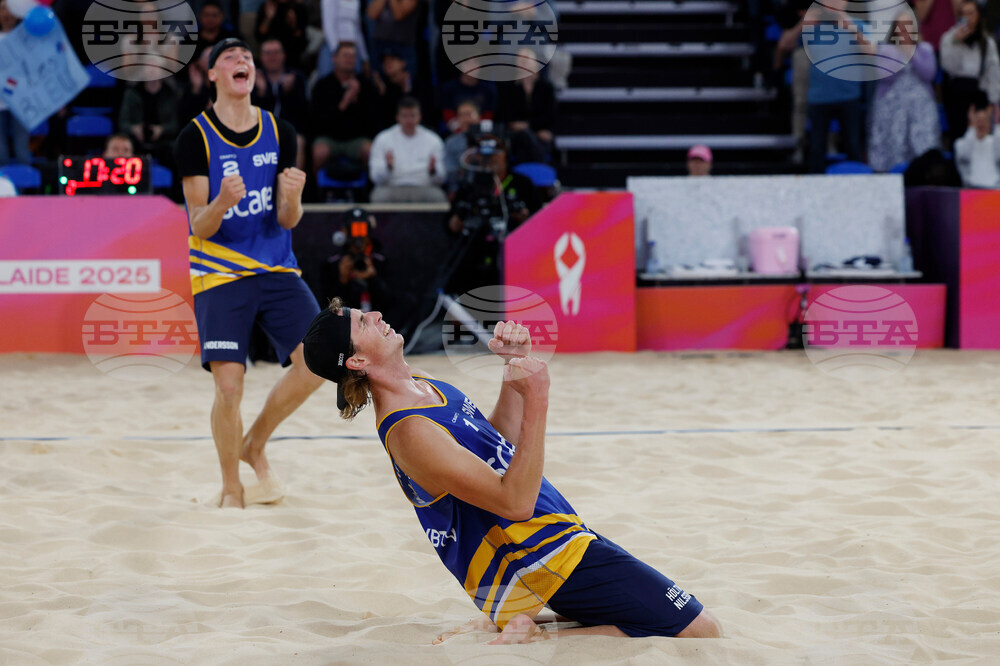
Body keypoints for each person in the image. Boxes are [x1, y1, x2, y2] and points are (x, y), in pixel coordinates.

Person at [300, 307, 723, 643]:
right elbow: (514, 503)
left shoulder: (424, 383)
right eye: (362, 322)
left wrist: (513, 371)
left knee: (665, 615)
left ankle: (528, 624)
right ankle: (533, 637)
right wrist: (537, 398)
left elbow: (493, 440)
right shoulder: (407, 430)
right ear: (357, 359)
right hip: (538, 560)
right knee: (702, 629)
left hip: (558, 536)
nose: (374, 315)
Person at [173, 38, 324, 508]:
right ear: (212, 74)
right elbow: (199, 225)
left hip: (276, 266)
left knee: (319, 360)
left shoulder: (281, 131)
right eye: (231, 58)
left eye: (249, 59)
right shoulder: (194, 137)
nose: (244, 63)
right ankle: (231, 485)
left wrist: (295, 197)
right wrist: (221, 202)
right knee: (228, 385)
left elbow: (286, 219)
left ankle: (255, 442)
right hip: (219, 273)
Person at [447, 137, 541, 294]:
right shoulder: (469, 184)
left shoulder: (522, 183)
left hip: (515, 251)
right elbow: (450, 225)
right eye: (484, 154)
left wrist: (524, 218)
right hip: (475, 249)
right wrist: (459, 219)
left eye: (496, 152)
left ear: (505, 154)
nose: (490, 158)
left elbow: (539, 221)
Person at [868, 21, 940, 173]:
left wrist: (911, 52)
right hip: (892, 112)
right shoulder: (885, 49)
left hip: (920, 111)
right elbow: (884, 75)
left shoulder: (924, 49)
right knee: (894, 145)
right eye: (901, 26)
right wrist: (900, 53)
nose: (904, 31)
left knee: (922, 146)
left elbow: (929, 73)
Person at [310, 42, 377, 181]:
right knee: (319, 152)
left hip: (356, 139)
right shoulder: (323, 85)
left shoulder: (365, 84)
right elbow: (319, 121)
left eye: (353, 56)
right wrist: (345, 102)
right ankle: (315, 195)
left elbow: (372, 121)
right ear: (334, 58)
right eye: (345, 55)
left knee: (370, 150)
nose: (349, 59)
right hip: (330, 138)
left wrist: (357, 98)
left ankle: (368, 193)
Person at [939, 0, 1000, 142]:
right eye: (963, 14)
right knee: (959, 138)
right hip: (956, 94)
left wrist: (994, 102)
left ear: (979, 15)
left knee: (981, 139)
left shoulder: (987, 42)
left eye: (971, 13)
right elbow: (949, 67)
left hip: (978, 94)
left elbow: (993, 72)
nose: (967, 18)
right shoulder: (949, 38)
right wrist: (956, 43)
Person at [369, 95, 447, 202]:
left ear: (420, 116)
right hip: (392, 187)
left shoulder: (433, 140)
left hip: (423, 187)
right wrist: (388, 168)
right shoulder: (383, 138)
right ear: (397, 117)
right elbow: (375, 178)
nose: (409, 120)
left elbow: (441, 179)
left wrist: (433, 171)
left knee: (438, 197)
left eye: (413, 116)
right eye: (405, 116)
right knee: (379, 197)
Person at [252, 38, 309, 171]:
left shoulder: (296, 77)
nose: (272, 57)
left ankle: (295, 189)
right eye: (267, 53)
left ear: (284, 55)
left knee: (298, 141)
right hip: (260, 131)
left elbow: (304, 114)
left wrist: (289, 93)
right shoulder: (253, 78)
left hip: (290, 130)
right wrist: (261, 93)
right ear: (261, 57)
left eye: (276, 52)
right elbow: (247, 113)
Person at [495, 48, 556, 165]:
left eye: (527, 58)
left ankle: (524, 175)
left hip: (540, 134)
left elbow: (550, 116)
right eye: (520, 59)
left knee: (533, 139)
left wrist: (528, 126)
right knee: (523, 137)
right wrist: (529, 128)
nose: (523, 61)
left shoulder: (546, 88)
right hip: (515, 135)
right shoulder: (508, 87)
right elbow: (506, 115)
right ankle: (536, 169)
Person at [0, 0, 29, 166]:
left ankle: (25, 191)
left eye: (10, 9)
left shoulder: (26, 39)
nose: (6, 14)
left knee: (22, 152)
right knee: (1, 154)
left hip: (22, 103)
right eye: (3, 9)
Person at [954, 89, 1000, 187]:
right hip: (971, 191)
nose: (981, 124)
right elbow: (964, 155)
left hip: (994, 191)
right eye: (978, 120)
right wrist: (972, 128)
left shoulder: (994, 142)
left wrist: (997, 125)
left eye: (984, 120)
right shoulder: (960, 143)